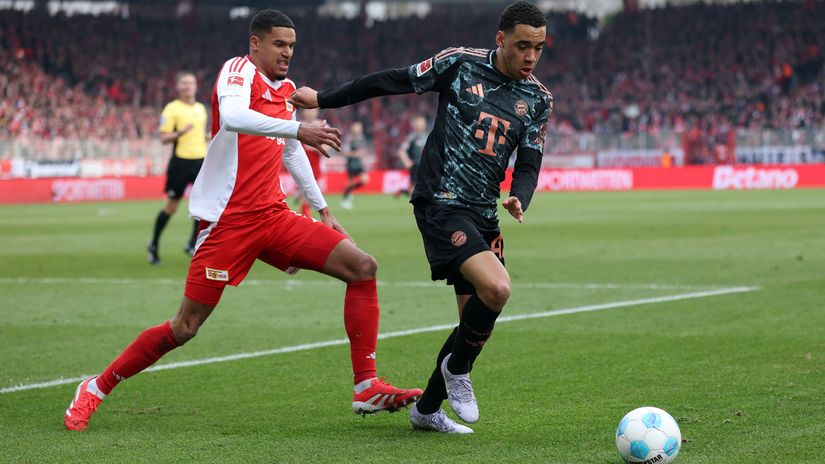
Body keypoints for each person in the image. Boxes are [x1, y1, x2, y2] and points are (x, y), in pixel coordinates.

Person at [64, 9, 422, 432]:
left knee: (362, 267)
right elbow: (234, 118)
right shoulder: (237, 71)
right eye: (279, 44)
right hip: (228, 223)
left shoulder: (286, 89)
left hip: (273, 216)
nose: (287, 52)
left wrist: (324, 209)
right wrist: (298, 130)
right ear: (256, 43)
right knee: (185, 327)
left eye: (292, 46)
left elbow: (291, 152)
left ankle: (366, 386)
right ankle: (95, 387)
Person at [290, 0, 552, 434]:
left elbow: (529, 162)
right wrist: (323, 99)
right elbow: (394, 80)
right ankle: (458, 370)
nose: (531, 57)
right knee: (498, 288)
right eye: (523, 45)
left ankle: (427, 409)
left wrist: (519, 196)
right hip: (441, 202)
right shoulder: (460, 64)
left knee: (475, 319)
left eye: (539, 48)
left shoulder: (538, 99)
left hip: (484, 211)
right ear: (501, 39)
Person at [148, 71, 209, 264]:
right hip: (180, 163)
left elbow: (200, 135)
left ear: (196, 86)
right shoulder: (172, 109)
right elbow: (164, 138)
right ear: (178, 87)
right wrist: (180, 132)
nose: (187, 86)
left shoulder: (201, 108)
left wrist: (209, 137)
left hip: (201, 161)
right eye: (184, 83)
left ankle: (191, 243)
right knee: (171, 207)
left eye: (191, 83)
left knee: (203, 207)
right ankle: (153, 244)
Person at [294, 107, 325, 218]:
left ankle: (303, 215)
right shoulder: (297, 125)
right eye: (307, 110)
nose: (310, 112)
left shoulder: (322, 125)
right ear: (303, 112)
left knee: (311, 195)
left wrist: (317, 148)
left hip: (315, 165)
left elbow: (329, 146)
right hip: (299, 164)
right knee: (307, 194)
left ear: (317, 112)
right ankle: (305, 216)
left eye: (312, 110)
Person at [395, 115, 428, 197]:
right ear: (415, 126)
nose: (420, 127)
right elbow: (401, 150)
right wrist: (406, 161)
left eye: (422, 125)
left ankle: (404, 192)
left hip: (427, 165)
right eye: (418, 125)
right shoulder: (411, 137)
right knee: (414, 186)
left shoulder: (428, 136)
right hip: (416, 165)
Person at [341, 121, 369, 210]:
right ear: (352, 129)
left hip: (359, 164)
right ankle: (345, 198)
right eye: (356, 128)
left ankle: (349, 192)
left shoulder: (362, 138)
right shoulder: (349, 139)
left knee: (365, 180)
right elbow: (345, 152)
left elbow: (364, 150)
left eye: (359, 128)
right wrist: (355, 154)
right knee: (351, 183)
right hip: (351, 164)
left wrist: (363, 153)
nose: (358, 130)